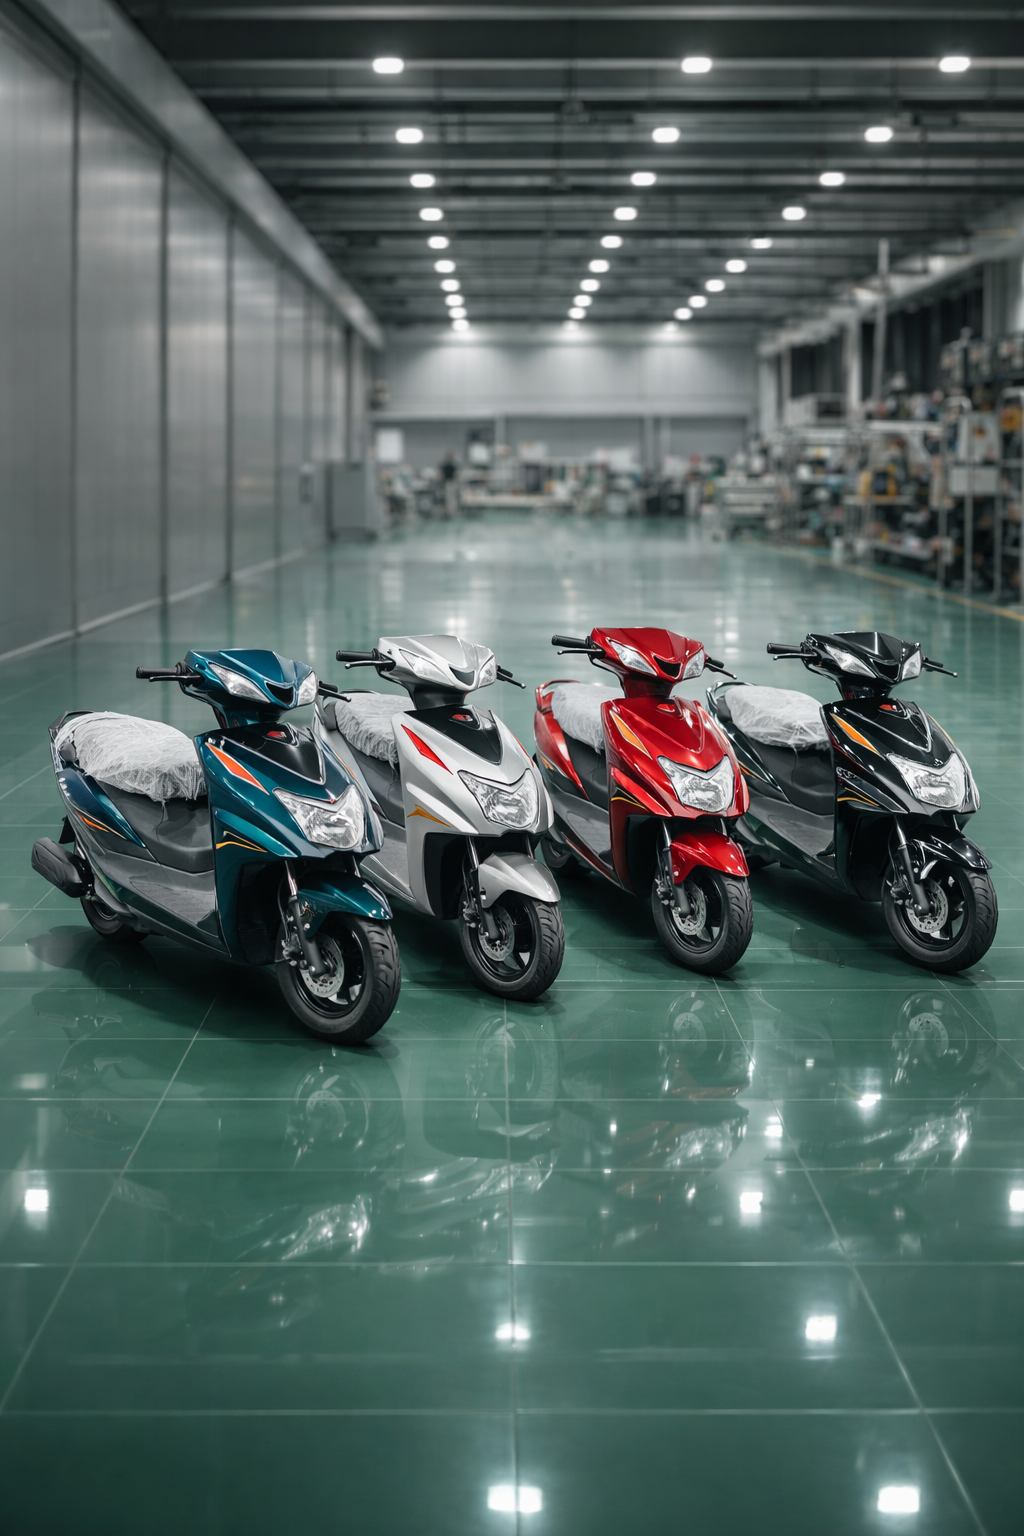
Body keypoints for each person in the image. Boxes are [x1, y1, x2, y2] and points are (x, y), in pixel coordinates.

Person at [440, 450, 459, 517]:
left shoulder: (454, 463)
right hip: (447, 482)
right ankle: (447, 511)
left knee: (453, 497)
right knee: (448, 497)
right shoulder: (445, 463)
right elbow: (441, 473)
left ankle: (452, 511)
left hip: (452, 482)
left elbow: (456, 473)